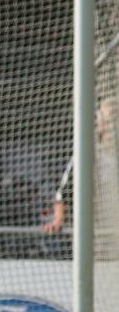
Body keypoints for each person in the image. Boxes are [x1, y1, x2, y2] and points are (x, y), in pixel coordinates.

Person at [44, 98, 118, 259]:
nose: (112, 125)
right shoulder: (88, 156)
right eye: (108, 119)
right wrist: (58, 219)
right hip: (100, 242)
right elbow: (63, 194)